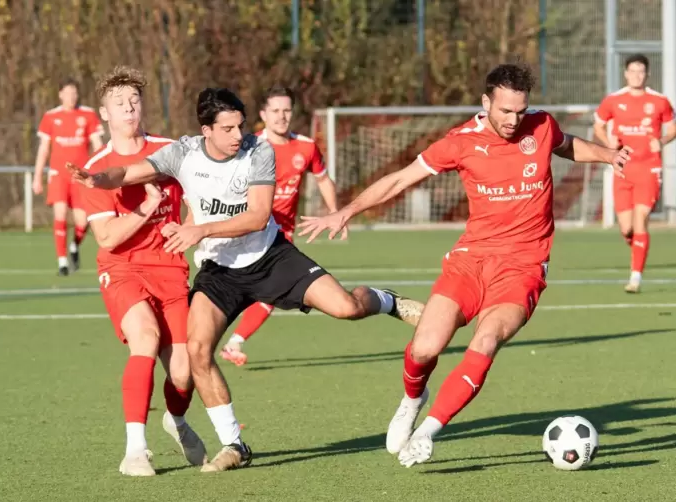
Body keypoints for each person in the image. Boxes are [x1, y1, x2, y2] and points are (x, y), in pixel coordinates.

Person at [69, 87, 424, 473]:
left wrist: (201, 230)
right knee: (198, 352)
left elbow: (256, 217)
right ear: (206, 130)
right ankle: (234, 445)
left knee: (346, 308)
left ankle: (386, 300)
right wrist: (97, 179)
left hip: (270, 256)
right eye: (228, 129)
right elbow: (127, 172)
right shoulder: (182, 153)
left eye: (240, 125)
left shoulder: (259, 150)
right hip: (219, 271)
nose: (239, 135)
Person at [298, 63, 631, 468]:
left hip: (523, 265)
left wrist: (607, 155)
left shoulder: (540, 126)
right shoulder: (460, 142)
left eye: (520, 111)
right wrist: (346, 211)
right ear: (486, 102)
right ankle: (411, 401)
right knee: (424, 347)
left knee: (486, 339)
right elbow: (400, 180)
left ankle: (428, 432)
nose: (514, 120)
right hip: (471, 259)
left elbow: (566, 145)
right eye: (506, 111)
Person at [73, 66, 206, 477]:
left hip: (170, 269)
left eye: (134, 101)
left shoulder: (172, 150)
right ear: (104, 113)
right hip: (123, 269)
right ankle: (135, 451)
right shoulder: (95, 170)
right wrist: (145, 209)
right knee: (144, 338)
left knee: (185, 372)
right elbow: (108, 238)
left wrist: (190, 227)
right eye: (119, 103)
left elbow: (200, 194)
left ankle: (177, 420)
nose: (129, 108)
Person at [220, 85, 344, 367]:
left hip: (278, 235)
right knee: (234, 285)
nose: (281, 116)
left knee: (273, 290)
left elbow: (323, 179)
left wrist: (335, 212)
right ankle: (218, 341)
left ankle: (234, 342)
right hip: (245, 228)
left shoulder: (306, 146)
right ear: (264, 114)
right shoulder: (248, 146)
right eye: (275, 111)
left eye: (286, 110)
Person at [593, 53, 676, 293]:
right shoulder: (613, 100)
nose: (637, 75)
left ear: (647, 74)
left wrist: (661, 141)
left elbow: (672, 127)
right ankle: (637, 247)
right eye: (633, 70)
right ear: (626, 73)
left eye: (641, 71)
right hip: (623, 169)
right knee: (626, 228)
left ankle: (635, 277)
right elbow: (598, 124)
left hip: (649, 168)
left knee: (641, 220)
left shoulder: (659, 100)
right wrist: (607, 141)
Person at [33, 77, 105, 275]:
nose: (71, 96)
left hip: (81, 176)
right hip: (58, 175)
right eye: (67, 93)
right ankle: (62, 262)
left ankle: (74, 245)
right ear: (60, 94)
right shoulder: (50, 117)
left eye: (74, 93)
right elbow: (43, 149)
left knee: (83, 222)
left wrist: (102, 171)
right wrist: (37, 176)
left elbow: (98, 145)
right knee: (60, 215)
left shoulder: (88, 115)